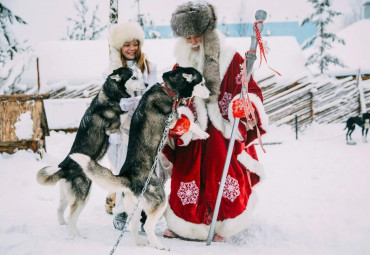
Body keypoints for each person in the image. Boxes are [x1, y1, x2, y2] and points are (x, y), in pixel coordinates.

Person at [161, 1, 269, 241]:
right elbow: (173, 99)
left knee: (220, 175)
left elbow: (249, 89)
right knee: (186, 176)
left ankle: (222, 226)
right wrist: (179, 118)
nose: (192, 41)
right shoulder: (180, 65)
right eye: (187, 37)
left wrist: (244, 104)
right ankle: (183, 225)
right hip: (192, 134)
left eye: (197, 35)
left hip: (222, 136)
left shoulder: (233, 59)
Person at [105, 21, 158, 230]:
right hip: (120, 128)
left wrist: (143, 102)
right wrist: (120, 106)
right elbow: (106, 100)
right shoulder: (112, 70)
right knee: (122, 172)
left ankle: (143, 213)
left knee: (145, 171)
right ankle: (121, 212)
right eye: (127, 44)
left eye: (135, 44)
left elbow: (154, 94)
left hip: (143, 128)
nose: (132, 48)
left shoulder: (149, 67)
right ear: (120, 46)